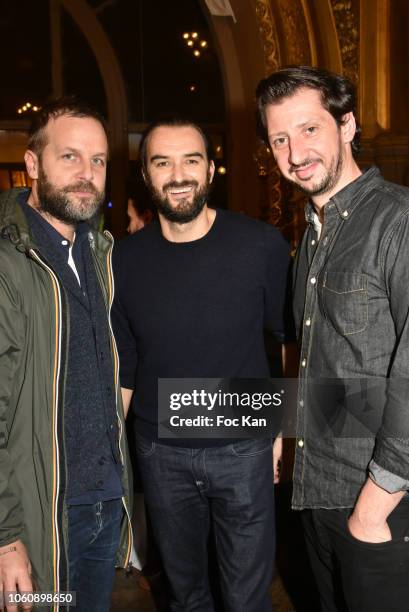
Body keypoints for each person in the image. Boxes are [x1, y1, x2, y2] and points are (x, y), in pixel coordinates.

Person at [112, 118, 290, 611]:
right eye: (162, 162)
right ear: (146, 176)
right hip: (160, 452)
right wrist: (110, 449)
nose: (178, 173)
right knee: (186, 596)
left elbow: (283, 340)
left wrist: (276, 431)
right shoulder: (122, 262)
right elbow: (125, 359)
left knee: (245, 599)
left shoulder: (261, 245)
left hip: (243, 448)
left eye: (191, 159)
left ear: (211, 168)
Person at [256, 65, 409, 612]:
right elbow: (313, 358)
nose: (295, 152)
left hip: (382, 502)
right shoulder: (313, 237)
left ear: (346, 125)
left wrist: (374, 505)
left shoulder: (398, 221)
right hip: (316, 489)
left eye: (309, 129)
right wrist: (284, 429)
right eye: (279, 138)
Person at [0, 98, 133, 612]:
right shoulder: (11, 262)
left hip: (102, 504)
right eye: (70, 157)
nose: (87, 174)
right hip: (38, 519)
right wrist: (7, 539)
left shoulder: (99, 255)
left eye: (97, 160)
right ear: (33, 164)